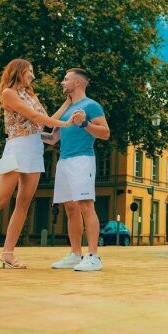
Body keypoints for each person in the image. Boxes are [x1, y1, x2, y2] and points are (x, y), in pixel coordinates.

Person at [0, 59, 83, 269]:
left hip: (34, 149)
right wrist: (67, 123)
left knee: (23, 204)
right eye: (30, 71)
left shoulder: (31, 95)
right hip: (15, 148)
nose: (32, 75)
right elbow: (33, 116)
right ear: (19, 71)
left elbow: (46, 119)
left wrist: (68, 104)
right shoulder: (8, 93)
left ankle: (7, 254)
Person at [49, 68, 110, 271]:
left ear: (78, 83)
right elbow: (51, 139)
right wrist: (21, 135)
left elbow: (105, 133)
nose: (62, 82)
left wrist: (84, 123)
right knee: (70, 208)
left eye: (66, 79)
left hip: (82, 159)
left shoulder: (91, 105)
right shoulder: (67, 110)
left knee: (85, 205)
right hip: (64, 161)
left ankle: (93, 256)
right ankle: (76, 254)